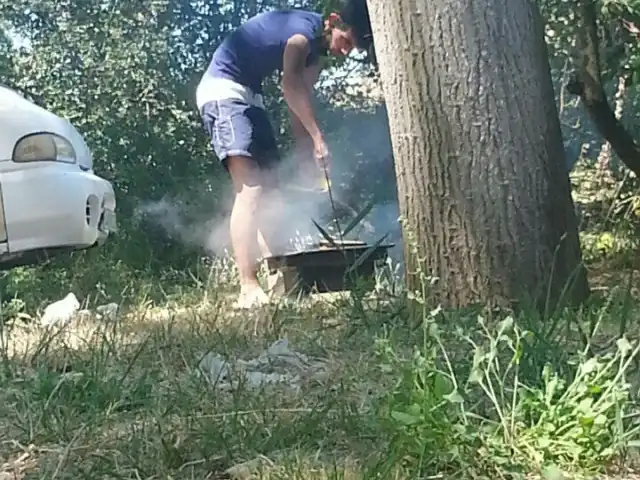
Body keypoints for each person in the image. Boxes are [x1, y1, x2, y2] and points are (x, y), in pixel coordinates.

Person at [196, 0, 374, 309]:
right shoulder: (301, 35)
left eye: (353, 49)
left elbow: (299, 108)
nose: (346, 52)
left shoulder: (314, 57)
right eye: (346, 42)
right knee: (251, 188)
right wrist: (319, 137)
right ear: (332, 21)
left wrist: (310, 154)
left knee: (272, 193)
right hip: (223, 92)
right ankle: (247, 287)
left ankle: (278, 278)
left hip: (250, 97)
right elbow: (289, 84)